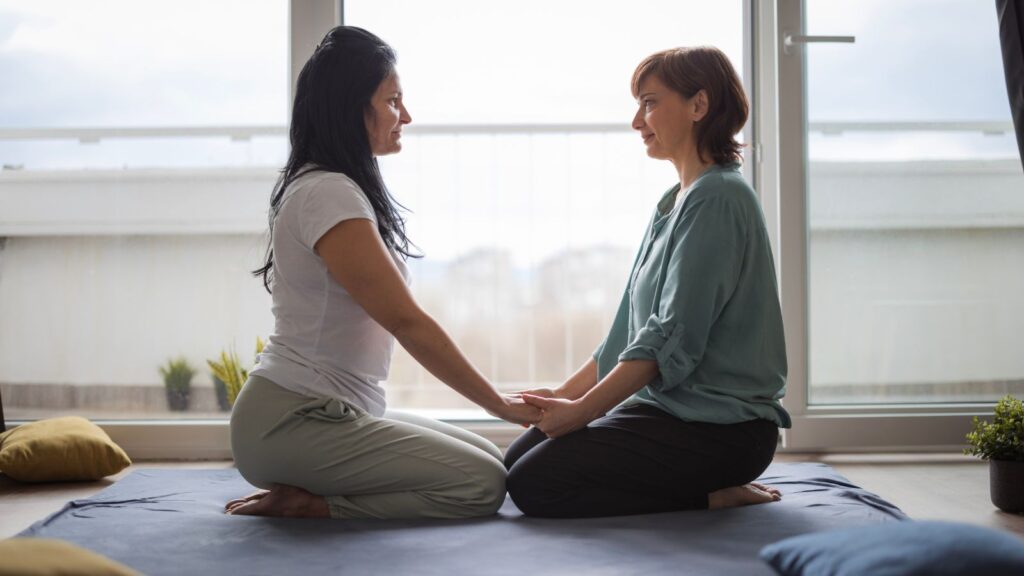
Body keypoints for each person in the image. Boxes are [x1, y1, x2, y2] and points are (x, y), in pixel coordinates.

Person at [226, 26, 540, 520]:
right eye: (394, 101)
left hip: (327, 413)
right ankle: (317, 506)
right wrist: (498, 405)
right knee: (481, 486)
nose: (406, 116)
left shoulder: (330, 188)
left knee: (489, 461)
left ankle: (317, 493)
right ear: (355, 108)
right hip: (293, 420)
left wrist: (499, 406)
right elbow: (406, 321)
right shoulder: (327, 193)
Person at [504, 46, 791, 518]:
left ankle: (709, 496)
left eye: (650, 103)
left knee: (534, 485)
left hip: (723, 429)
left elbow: (667, 337)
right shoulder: (674, 202)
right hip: (669, 412)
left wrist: (585, 412)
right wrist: (563, 396)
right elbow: (626, 338)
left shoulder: (718, 199)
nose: (637, 121)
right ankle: (697, 490)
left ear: (699, 106)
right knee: (516, 460)